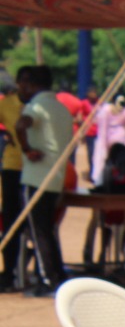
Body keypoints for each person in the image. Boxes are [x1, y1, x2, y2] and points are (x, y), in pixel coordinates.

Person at [13, 66, 72, 296]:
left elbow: (21, 124)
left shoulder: (36, 106)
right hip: (56, 178)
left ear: (31, 83)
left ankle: (47, 280)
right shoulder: (61, 108)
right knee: (47, 230)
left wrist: (26, 148)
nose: (21, 89)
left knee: (38, 232)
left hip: (36, 177)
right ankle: (57, 274)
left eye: (22, 85)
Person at [0, 71, 25, 292]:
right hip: (12, 167)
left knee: (35, 225)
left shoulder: (42, 106)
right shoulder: (6, 104)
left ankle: (30, 269)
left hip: (38, 170)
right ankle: (9, 271)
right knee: (10, 220)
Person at [90, 93, 125, 185]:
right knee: (119, 160)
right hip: (118, 140)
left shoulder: (106, 110)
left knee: (109, 160)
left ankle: (105, 179)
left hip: (111, 140)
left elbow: (101, 126)